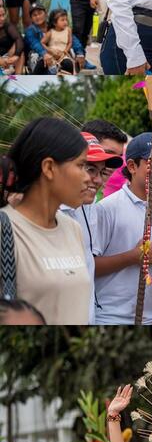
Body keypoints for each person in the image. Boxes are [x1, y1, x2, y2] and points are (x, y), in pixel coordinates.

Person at [0, 117, 93, 326]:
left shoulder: (73, 229)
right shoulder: (6, 230)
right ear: (49, 167)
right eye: (81, 165)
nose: (88, 178)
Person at [92, 132, 152, 325]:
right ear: (132, 166)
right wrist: (133, 257)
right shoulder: (107, 209)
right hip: (108, 318)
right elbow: (88, 267)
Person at [41, 9, 78, 74]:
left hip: (63, 55)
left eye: (66, 20)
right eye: (62, 20)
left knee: (69, 64)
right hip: (52, 55)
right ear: (54, 23)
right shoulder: (51, 32)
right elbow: (42, 42)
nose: (65, 22)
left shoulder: (68, 30)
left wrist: (66, 50)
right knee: (44, 64)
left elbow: (70, 42)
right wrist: (49, 50)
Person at [0, 2, 25, 74]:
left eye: (3, 15)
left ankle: (17, 78)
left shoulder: (8, 26)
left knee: (20, 51)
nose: (2, 18)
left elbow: (19, 39)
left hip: (9, 59)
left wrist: (16, 56)